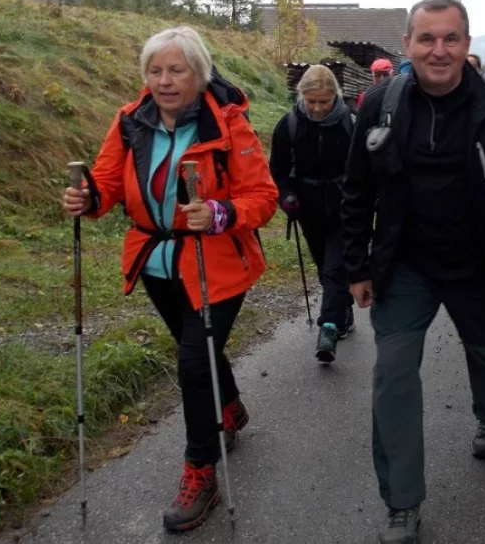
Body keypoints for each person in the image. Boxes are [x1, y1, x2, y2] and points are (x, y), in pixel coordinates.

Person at [342, 0, 485, 543]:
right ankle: (402, 501)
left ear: (466, 43)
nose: (439, 50)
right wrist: (356, 266)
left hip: (480, 265)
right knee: (392, 375)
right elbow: (357, 192)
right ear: (409, 45)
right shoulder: (379, 104)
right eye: (427, 39)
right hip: (405, 266)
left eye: (451, 38)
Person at [61, 26, 279, 531]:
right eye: (155, 70)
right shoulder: (130, 122)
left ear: (198, 74)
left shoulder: (226, 125)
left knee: (193, 362)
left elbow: (263, 196)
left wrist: (220, 213)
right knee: (199, 347)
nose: (164, 80)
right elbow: (109, 181)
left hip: (216, 264)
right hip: (156, 262)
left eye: (176, 69)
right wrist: (88, 198)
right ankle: (230, 409)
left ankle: (200, 472)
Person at [269, 64, 356, 363]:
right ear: (302, 96)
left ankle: (328, 330)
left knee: (335, 267)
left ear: (336, 97)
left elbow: (361, 170)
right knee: (323, 266)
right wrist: (287, 195)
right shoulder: (289, 125)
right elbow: (278, 170)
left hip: (343, 206)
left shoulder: (349, 124)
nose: (318, 108)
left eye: (324, 101)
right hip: (306, 207)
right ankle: (342, 306)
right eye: (312, 101)